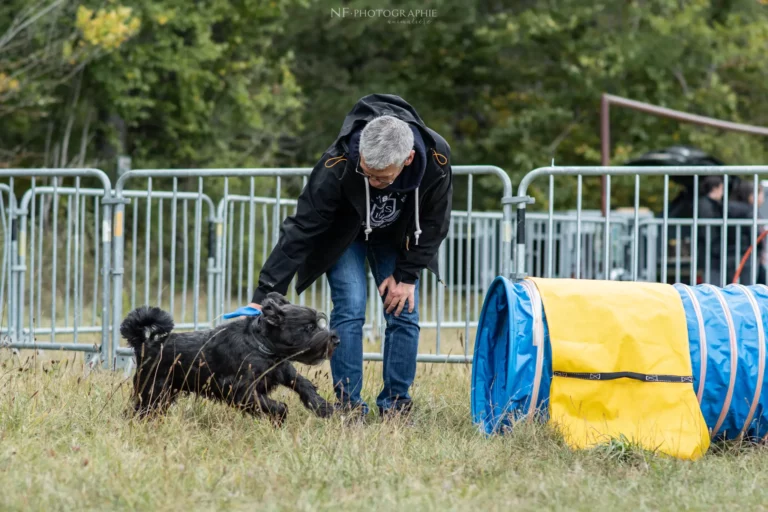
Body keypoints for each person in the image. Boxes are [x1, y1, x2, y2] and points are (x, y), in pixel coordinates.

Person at [246, 94, 453, 420]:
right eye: (367, 173)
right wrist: (265, 292)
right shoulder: (338, 162)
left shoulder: (436, 159)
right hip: (345, 238)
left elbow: (434, 221)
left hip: (396, 240)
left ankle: (396, 406)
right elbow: (302, 227)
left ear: (408, 160)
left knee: (404, 311)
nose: (373, 182)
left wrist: (408, 276)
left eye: (382, 178)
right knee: (351, 306)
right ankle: (348, 406)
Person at [697, 176, 753, 285]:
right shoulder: (706, 206)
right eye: (721, 189)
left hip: (716, 255)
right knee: (713, 287)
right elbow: (709, 232)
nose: (722, 193)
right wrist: (719, 249)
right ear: (715, 188)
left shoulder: (714, 205)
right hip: (711, 257)